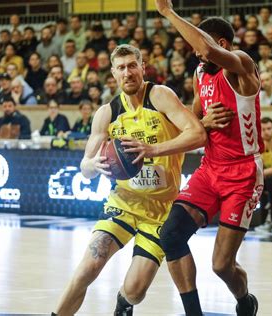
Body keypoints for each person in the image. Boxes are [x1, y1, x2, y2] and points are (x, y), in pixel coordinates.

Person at [53, 44, 206, 315]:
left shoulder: (159, 96)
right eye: (121, 68)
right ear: (113, 73)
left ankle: (123, 304)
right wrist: (92, 164)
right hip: (123, 204)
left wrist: (154, 149)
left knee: (135, 290)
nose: (128, 72)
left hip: (161, 211)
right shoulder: (107, 113)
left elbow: (197, 134)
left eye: (132, 65)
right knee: (88, 268)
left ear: (142, 67)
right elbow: (85, 168)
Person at [155, 1, 263, 315]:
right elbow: (193, 121)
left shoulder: (241, 64)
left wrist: (168, 13)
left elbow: (206, 46)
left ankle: (244, 300)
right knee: (170, 235)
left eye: (200, 48)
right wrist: (202, 123)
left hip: (243, 173)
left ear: (223, 44)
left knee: (221, 266)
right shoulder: (200, 73)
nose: (196, 54)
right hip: (210, 168)